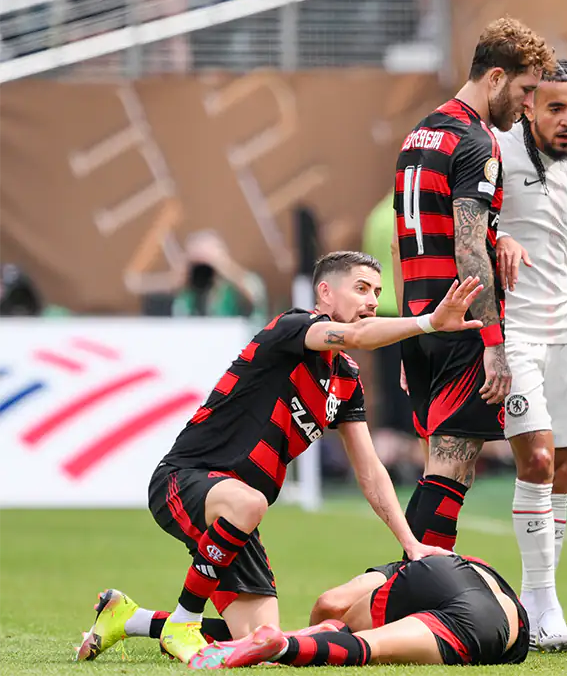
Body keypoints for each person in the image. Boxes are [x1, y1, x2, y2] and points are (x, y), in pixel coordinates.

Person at [75, 252, 486, 664]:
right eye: (361, 289)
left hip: (237, 514)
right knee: (250, 502)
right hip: (184, 480)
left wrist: (411, 543)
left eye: (377, 292)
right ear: (325, 292)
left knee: (263, 641)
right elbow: (360, 336)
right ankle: (184, 620)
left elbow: (370, 471)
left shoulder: (345, 380)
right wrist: (430, 323)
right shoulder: (293, 327)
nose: (372, 301)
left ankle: (129, 618)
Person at [395, 18, 554, 555]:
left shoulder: (420, 133)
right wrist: (492, 343)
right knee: (451, 470)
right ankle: (412, 586)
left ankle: (413, 578)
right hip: (461, 322)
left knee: (441, 468)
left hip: (423, 319)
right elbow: (467, 248)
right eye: (526, 90)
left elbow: (404, 241)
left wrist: (409, 328)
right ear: (495, 78)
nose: (528, 106)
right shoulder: (476, 140)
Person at [489, 59, 567, 651]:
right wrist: (499, 236)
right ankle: (543, 603)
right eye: (556, 108)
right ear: (527, 106)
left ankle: (536, 599)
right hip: (513, 333)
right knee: (538, 460)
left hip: (565, 331)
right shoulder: (496, 152)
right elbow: (464, 225)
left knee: (562, 468)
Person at [189, 554, 530, 668]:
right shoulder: (504, 598)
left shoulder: (416, 562)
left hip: (440, 566)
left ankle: (168, 625)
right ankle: (283, 646)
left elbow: (330, 604)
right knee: (368, 644)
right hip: (491, 619)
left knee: (347, 628)